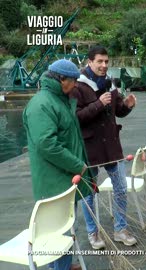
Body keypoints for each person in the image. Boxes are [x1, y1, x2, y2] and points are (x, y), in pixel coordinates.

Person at [70, 45, 137, 249]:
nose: (104, 65)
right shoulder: (77, 87)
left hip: (112, 146)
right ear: (89, 62)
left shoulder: (110, 83)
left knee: (121, 188)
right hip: (90, 148)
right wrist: (98, 103)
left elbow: (117, 110)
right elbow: (76, 118)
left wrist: (127, 105)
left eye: (106, 61)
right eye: (99, 61)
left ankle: (120, 229)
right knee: (88, 193)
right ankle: (93, 233)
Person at [23, 59, 88, 270]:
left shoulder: (59, 99)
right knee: (58, 234)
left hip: (66, 178)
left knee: (67, 228)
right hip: (54, 183)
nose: (76, 85)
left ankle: (64, 264)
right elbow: (46, 144)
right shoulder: (41, 104)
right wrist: (78, 164)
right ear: (61, 79)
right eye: (73, 80)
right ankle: (60, 266)